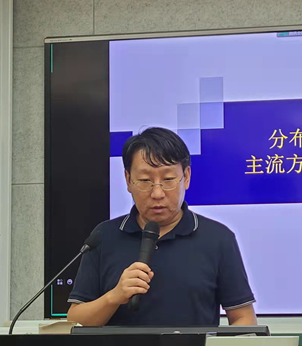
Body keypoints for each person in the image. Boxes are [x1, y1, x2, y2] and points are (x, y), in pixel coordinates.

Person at [67, 127, 257, 326]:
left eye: (168, 180)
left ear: (186, 177)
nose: (157, 193)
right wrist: (113, 297)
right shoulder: (103, 237)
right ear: (128, 180)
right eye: (145, 180)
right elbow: (75, 321)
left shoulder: (218, 238)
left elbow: (244, 318)